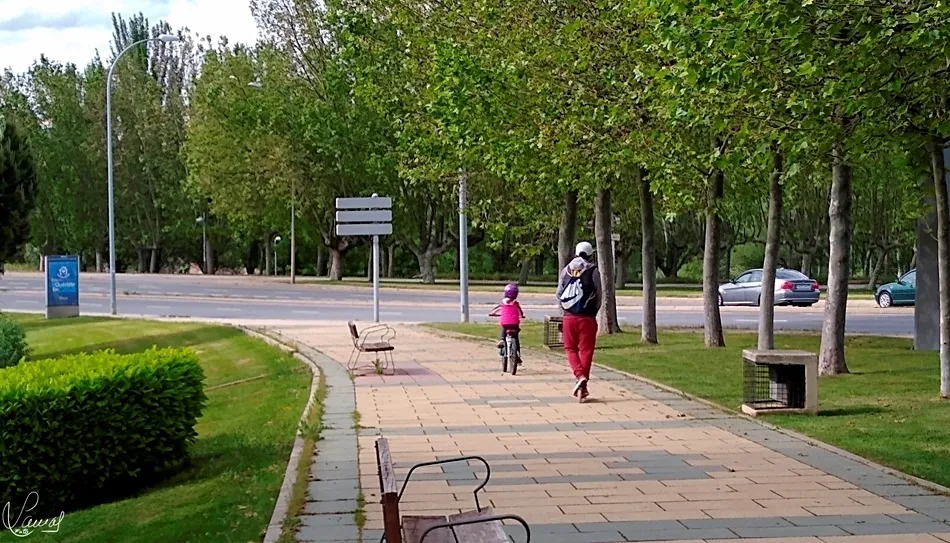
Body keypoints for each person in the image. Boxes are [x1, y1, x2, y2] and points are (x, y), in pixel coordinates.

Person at [556, 241, 602, 402]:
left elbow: (559, 294)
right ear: (590, 254)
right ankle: (583, 383)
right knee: (586, 351)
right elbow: (599, 294)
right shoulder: (593, 271)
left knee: (570, 349)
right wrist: (594, 311)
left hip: (569, 317)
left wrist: (564, 312)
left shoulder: (566, 270)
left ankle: (579, 376)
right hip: (588, 317)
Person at [489, 283, 525, 362]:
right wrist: (522, 316)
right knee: (516, 338)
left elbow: (495, 310)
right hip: (515, 323)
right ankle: (517, 354)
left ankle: (502, 339)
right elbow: (520, 313)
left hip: (505, 322)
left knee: (504, 328)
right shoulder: (516, 303)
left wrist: (492, 313)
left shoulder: (503, 302)